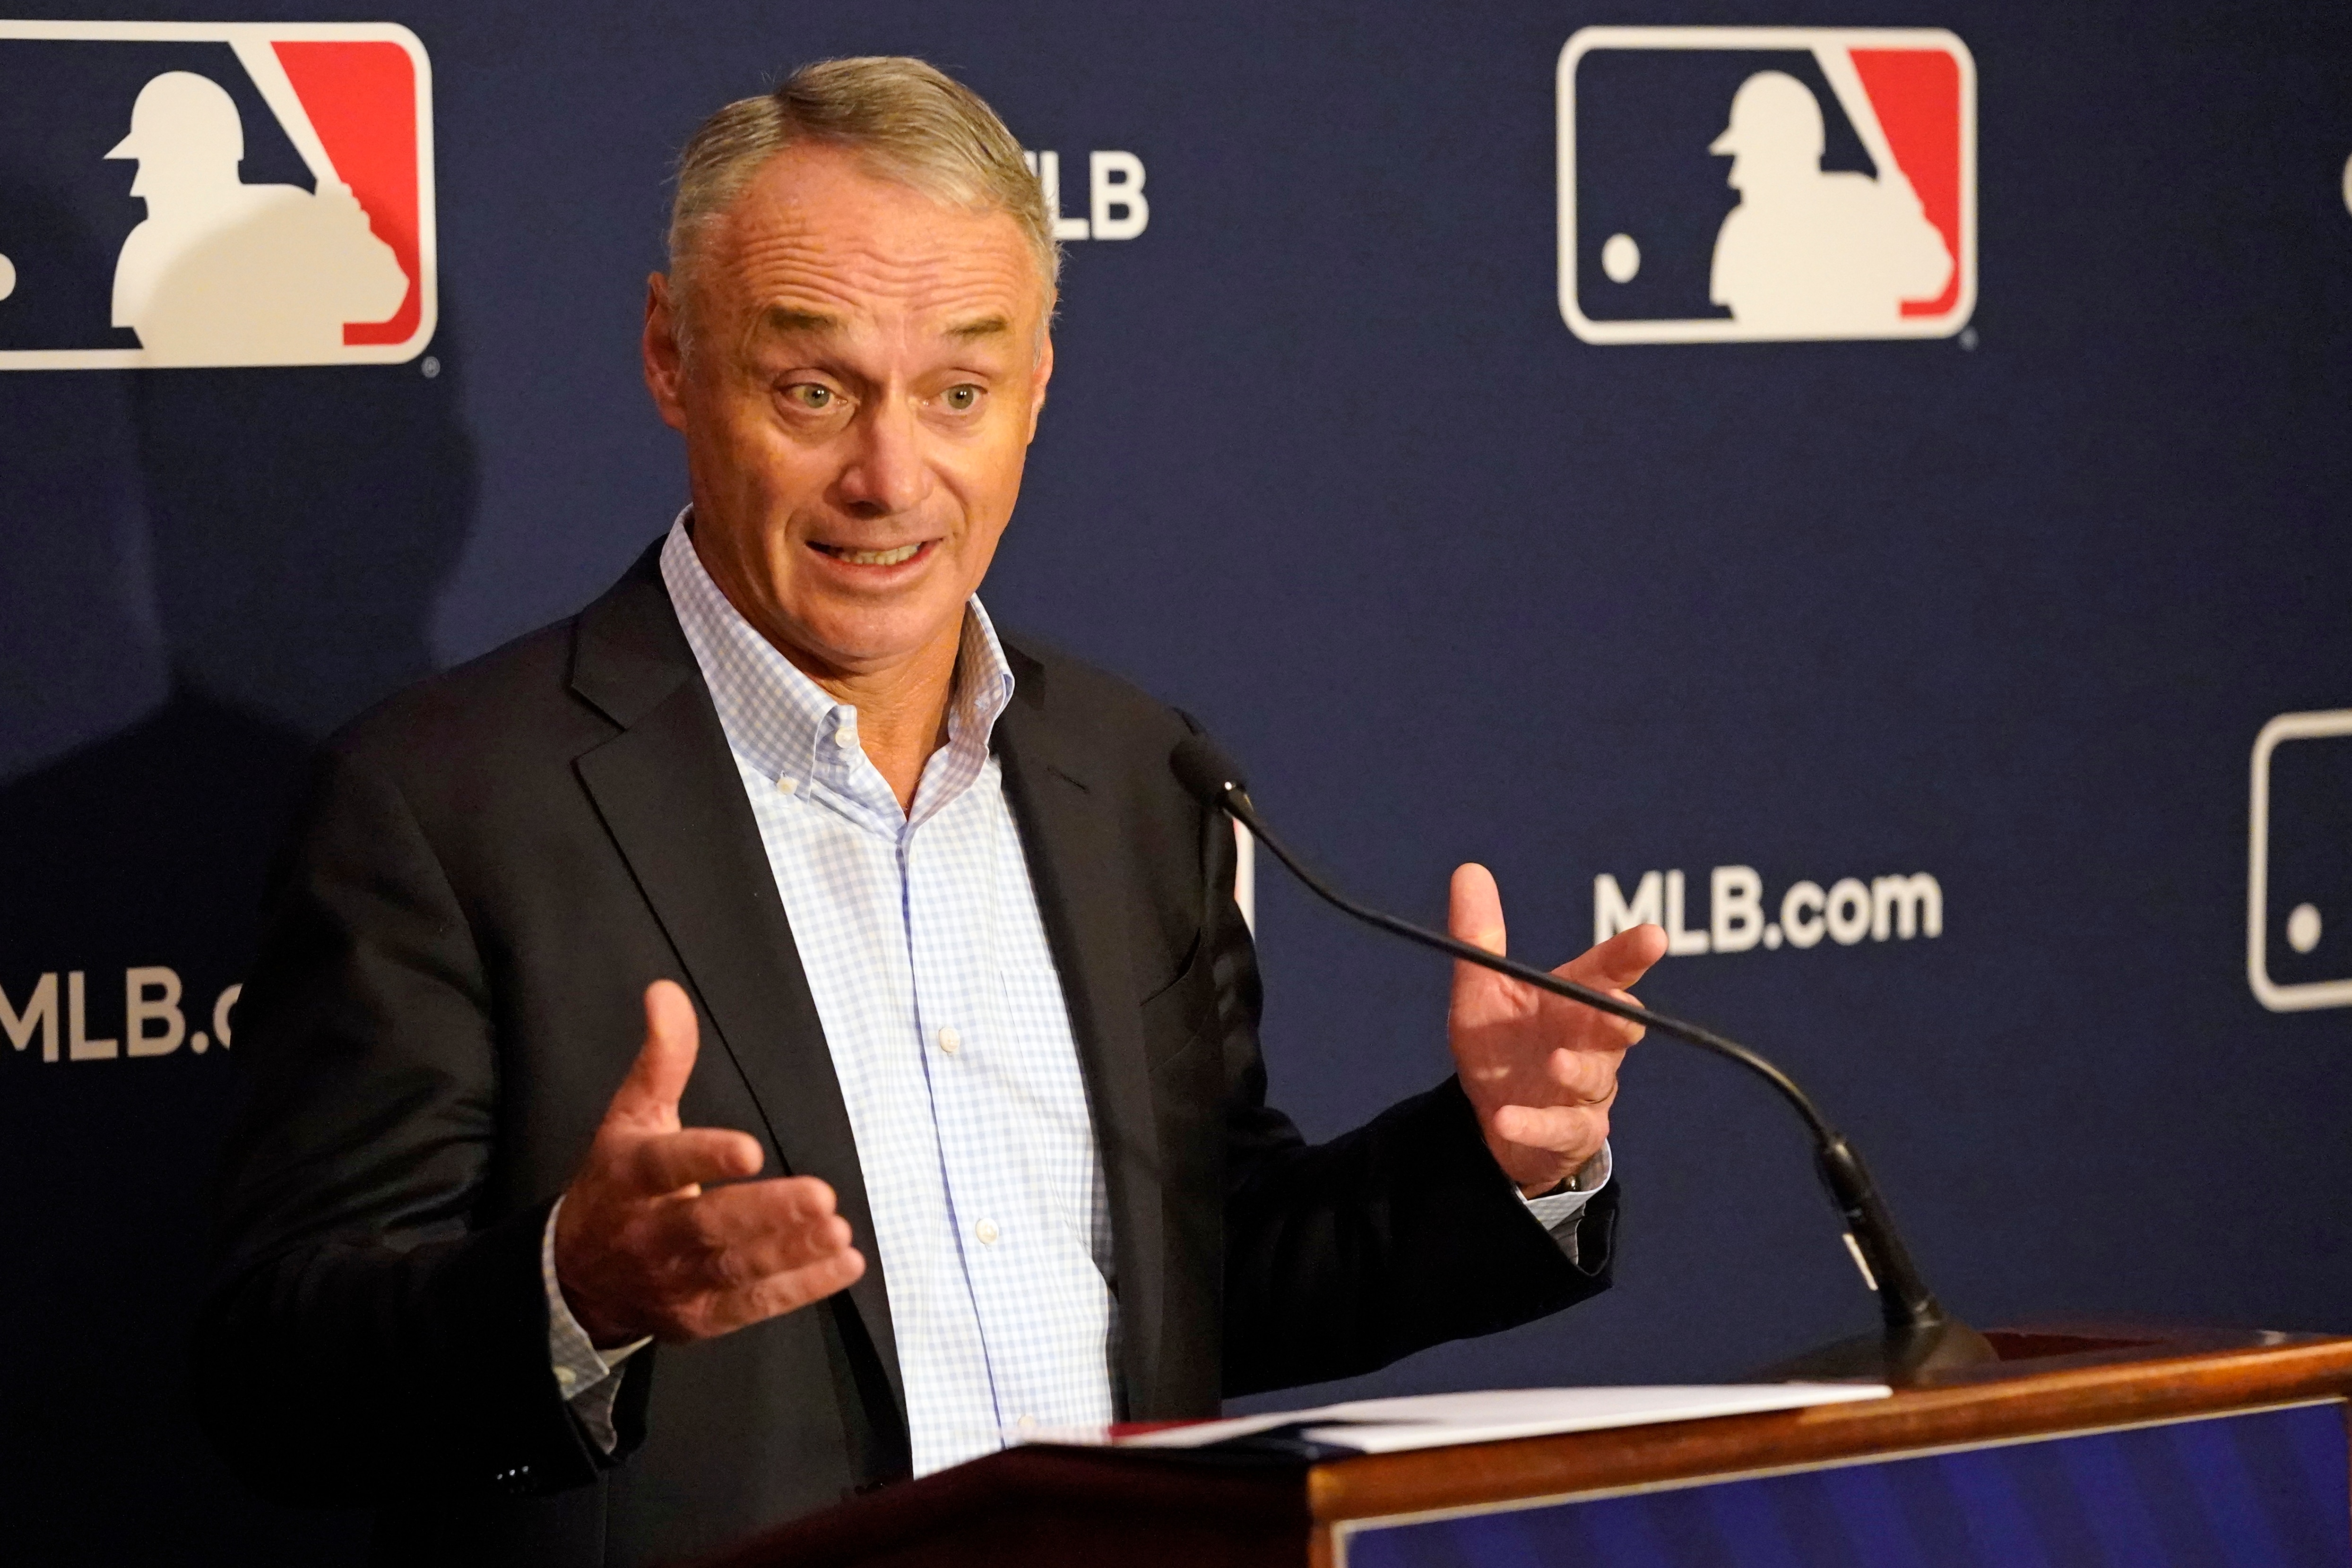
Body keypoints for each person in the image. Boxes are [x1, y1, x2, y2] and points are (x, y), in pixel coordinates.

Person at [194, 57, 1666, 1567]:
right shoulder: (444, 802)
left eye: (956, 390)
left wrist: (1499, 1159)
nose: (888, 478)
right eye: (812, 388)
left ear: (1034, 387)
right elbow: (275, 1376)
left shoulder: (1135, 771)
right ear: (669, 357)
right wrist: (572, 1290)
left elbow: (1200, 1267)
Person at [106, 71, 407, 365]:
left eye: (152, 164)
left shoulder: (293, 217)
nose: (138, 187)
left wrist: (349, 242)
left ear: (200, 160)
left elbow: (385, 299)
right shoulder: (148, 248)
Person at [1707, 70, 1953, 335]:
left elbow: (1932, 276)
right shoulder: (1745, 232)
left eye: (1750, 157)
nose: (1736, 178)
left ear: (1786, 156)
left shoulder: (1861, 204)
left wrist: (1903, 221)